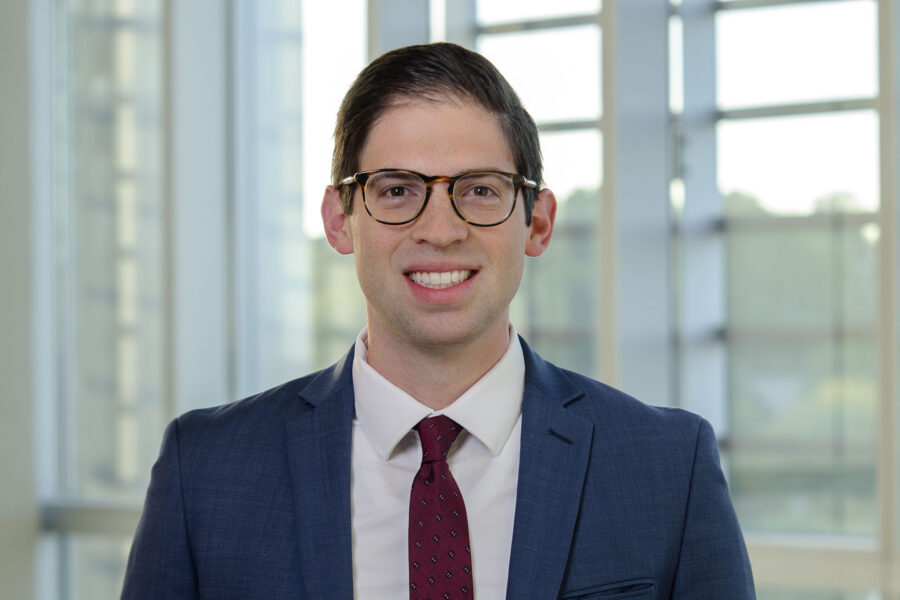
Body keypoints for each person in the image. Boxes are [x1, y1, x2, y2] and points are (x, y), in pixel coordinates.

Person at [121, 42, 755, 599]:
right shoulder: (205, 471)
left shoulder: (670, 469)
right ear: (341, 220)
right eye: (397, 189)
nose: (441, 230)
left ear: (536, 223)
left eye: (479, 189)